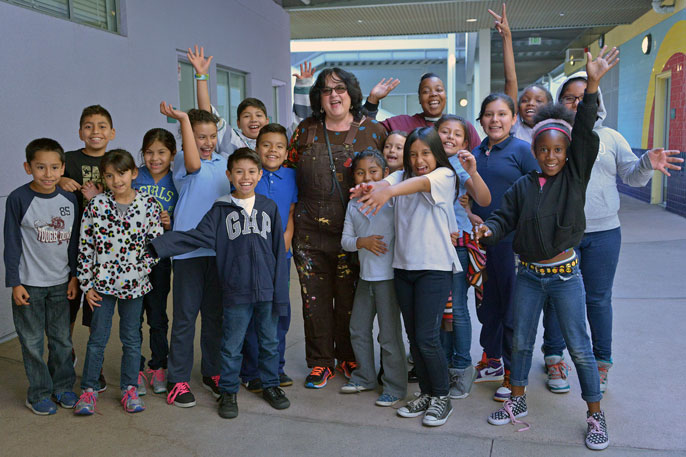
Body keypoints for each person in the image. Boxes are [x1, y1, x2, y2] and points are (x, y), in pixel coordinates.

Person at [476, 47, 618, 450]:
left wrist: (591, 85)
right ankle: (516, 401)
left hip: (565, 276)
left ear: (567, 153)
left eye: (558, 150)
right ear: (533, 151)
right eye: (544, 150)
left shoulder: (574, 177)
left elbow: (586, 131)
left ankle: (595, 415)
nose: (551, 156)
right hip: (529, 276)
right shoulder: (523, 186)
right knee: (520, 341)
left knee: (579, 348)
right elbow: (503, 219)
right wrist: (487, 230)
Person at [540, 67, 683, 394]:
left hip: (604, 234)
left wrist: (646, 162)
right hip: (562, 236)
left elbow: (632, 176)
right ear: (559, 102)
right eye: (569, 98)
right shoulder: (552, 139)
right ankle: (553, 357)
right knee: (557, 298)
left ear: (596, 100)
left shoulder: (611, 138)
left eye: (583, 97)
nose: (576, 104)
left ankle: (601, 362)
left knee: (598, 299)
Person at [149, 148, 291, 419]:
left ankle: (271, 385)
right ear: (229, 175)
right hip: (236, 291)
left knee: (269, 342)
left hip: (266, 291)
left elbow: (278, 253)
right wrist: (159, 246)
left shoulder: (269, 208)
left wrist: (280, 292)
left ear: (260, 175)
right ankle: (227, 390)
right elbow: (196, 236)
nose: (245, 177)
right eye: (239, 171)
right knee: (231, 344)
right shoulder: (221, 209)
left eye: (251, 172)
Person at [352, 127, 462, 427]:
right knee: (415, 338)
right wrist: (369, 189)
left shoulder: (444, 176)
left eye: (425, 152)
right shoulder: (398, 177)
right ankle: (426, 393)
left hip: (434, 269)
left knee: (427, 337)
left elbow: (416, 184)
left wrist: (386, 190)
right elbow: (383, 183)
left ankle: (442, 397)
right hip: (402, 269)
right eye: (412, 154)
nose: (419, 159)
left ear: (436, 153)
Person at [287, 67, 387, 388]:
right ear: (318, 97)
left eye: (340, 89)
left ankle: (349, 356)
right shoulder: (305, 130)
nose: (334, 95)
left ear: (351, 94)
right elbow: (288, 174)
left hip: (355, 236)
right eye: (327, 90)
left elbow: (393, 174)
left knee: (349, 302)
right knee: (313, 301)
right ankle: (319, 362)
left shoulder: (372, 130)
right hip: (308, 235)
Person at [73, 149, 163, 416]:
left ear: (134, 173)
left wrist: (139, 269)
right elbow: (85, 246)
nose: (116, 180)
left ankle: (129, 389)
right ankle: (88, 391)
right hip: (101, 287)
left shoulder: (148, 205)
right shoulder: (97, 205)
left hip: (135, 286)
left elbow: (156, 244)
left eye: (121, 173)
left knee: (132, 338)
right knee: (97, 338)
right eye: (109, 176)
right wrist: (87, 284)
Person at [159, 102, 231, 407]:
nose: (207, 142)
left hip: (219, 251)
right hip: (189, 252)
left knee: (215, 318)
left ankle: (212, 371)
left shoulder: (225, 162)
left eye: (211, 136)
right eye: (200, 136)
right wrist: (185, 119)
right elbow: (193, 163)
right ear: (188, 136)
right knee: (186, 318)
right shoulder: (182, 162)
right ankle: (178, 379)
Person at [470, 93, 540, 402]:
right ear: (481, 119)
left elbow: (541, 190)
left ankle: (514, 375)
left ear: (513, 120)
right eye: (488, 114)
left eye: (501, 114)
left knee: (513, 310)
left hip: (512, 243)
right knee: (489, 306)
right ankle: (493, 360)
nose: (494, 120)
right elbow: (468, 195)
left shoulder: (523, 151)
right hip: (483, 243)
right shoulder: (474, 153)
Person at [4, 138, 80, 415]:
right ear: (28, 167)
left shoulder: (69, 199)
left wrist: (74, 277)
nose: (48, 174)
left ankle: (62, 386)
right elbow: (11, 242)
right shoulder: (18, 198)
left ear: (62, 169)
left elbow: (73, 243)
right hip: (29, 285)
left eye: (54, 168)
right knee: (32, 342)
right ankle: (38, 393)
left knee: (61, 340)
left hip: (62, 283)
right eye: (40, 167)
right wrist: (15, 282)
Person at [340, 149, 407, 407]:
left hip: (388, 279)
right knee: (358, 329)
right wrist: (362, 242)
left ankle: (395, 386)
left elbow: (403, 177)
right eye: (360, 172)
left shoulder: (392, 200)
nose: (366, 177)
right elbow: (346, 242)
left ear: (384, 175)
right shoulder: (353, 204)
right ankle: (365, 376)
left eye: (373, 172)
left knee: (389, 336)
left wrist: (384, 188)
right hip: (366, 279)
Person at [434, 115, 491, 399]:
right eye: (444, 131)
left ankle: (461, 366)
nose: (450, 137)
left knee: (456, 308)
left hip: (458, 246)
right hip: (431, 245)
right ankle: (441, 365)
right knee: (438, 310)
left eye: (457, 134)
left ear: (465, 143)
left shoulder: (461, 165)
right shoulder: (426, 163)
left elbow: (483, 199)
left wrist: (473, 171)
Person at [59, 105, 116, 389]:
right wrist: (59, 178)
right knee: (68, 305)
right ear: (80, 131)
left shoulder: (116, 161)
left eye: (102, 126)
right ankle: (64, 355)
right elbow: (43, 176)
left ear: (112, 133)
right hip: (69, 243)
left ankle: (96, 363)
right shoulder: (67, 159)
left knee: (98, 311)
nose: (96, 131)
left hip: (103, 248)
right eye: (89, 126)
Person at [240, 123, 298, 392]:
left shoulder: (292, 177)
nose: (272, 150)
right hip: (252, 257)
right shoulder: (251, 175)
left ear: (287, 151)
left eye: (279, 146)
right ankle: (252, 371)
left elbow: (292, 213)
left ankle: (276, 367)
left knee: (278, 312)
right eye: (266, 145)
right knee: (253, 313)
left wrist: (286, 239)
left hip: (281, 258)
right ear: (256, 147)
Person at [132, 128, 178, 395]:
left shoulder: (177, 180)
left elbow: (185, 212)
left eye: (161, 152)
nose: (155, 158)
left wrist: (172, 222)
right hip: (132, 260)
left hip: (159, 257)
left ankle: (158, 365)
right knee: (133, 316)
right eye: (149, 152)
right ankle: (134, 367)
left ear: (172, 154)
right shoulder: (135, 176)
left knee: (157, 315)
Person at [187, 45, 269, 157]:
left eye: (259, 115)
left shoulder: (275, 143)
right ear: (238, 123)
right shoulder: (231, 138)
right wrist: (201, 76)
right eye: (247, 116)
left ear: (267, 121)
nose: (253, 120)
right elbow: (207, 113)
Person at [489, 4, 553, 143]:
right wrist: (507, 37)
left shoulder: (556, 130)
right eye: (524, 100)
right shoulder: (515, 128)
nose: (530, 104)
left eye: (539, 101)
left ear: (549, 106)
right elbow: (510, 81)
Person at [363, 74, 481, 148]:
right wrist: (373, 100)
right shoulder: (400, 123)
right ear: (419, 98)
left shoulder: (462, 127)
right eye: (426, 91)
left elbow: (479, 161)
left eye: (438, 90)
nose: (433, 94)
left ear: (445, 95)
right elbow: (365, 131)